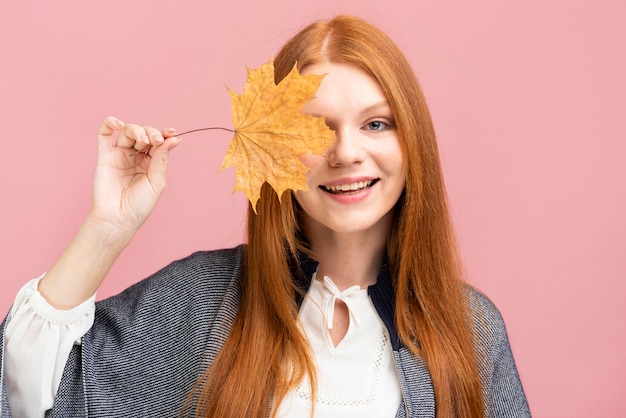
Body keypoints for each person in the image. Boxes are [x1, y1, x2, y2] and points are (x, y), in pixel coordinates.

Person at [0, 15, 530, 418]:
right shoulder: (199, 300)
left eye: (376, 124)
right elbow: (33, 397)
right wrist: (105, 229)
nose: (346, 153)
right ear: (274, 148)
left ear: (412, 141)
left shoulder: (473, 329)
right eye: (316, 128)